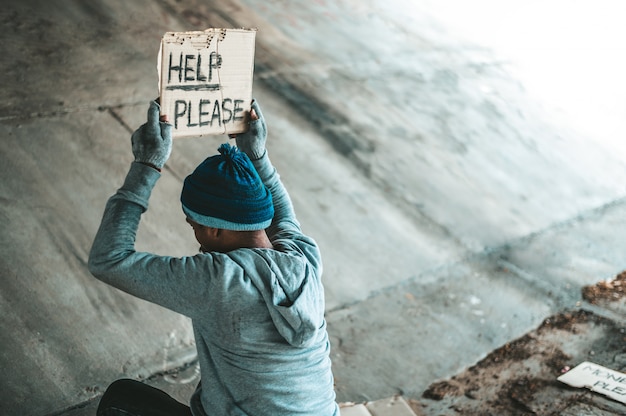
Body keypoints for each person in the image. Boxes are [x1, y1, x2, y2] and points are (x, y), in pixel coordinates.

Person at [88, 99, 340, 416]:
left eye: (194, 225)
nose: (195, 236)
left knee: (121, 397)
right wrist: (256, 154)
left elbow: (107, 260)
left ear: (215, 230)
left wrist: (146, 165)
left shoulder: (218, 279)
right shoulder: (304, 258)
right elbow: (282, 213)